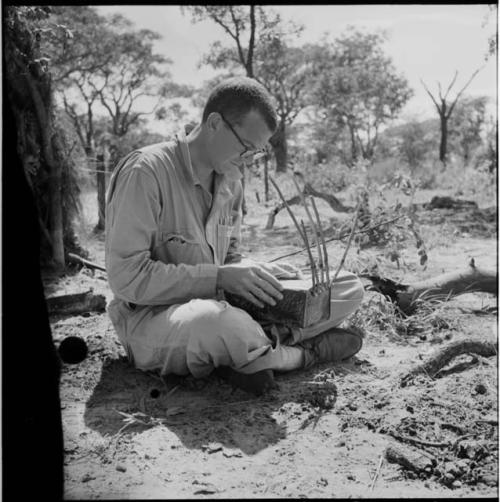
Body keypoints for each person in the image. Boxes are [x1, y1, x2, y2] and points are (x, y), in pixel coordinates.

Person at [105, 76, 365, 395]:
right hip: (155, 320)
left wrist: (257, 273)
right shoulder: (146, 172)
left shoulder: (231, 180)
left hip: (222, 303)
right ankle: (299, 354)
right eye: (246, 147)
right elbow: (126, 279)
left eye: (256, 154)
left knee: (348, 287)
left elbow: (229, 260)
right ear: (215, 123)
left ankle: (254, 348)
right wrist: (219, 278)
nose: (248, 160)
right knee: (220, 325)